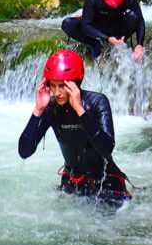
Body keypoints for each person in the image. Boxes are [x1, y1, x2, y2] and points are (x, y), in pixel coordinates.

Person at [18, 49, 131, 206]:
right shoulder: (51, 108)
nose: (57, 93)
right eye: (53, 86)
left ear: (75, 83)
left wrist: (80, 110)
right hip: (73, 184)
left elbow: (107, 148)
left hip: (107, 185)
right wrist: (38, 110)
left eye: (62, 86)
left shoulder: (97, 102)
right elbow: (24, 151)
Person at [62, 0, 145, 60]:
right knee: (67, 24)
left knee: (133, 17)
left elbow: (140, 20)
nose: (114, 6)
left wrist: (139, 44)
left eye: (117, 4)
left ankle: (120, 41)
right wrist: (107, 38)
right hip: (98, 27)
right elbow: (86, 25)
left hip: (117, 26)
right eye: (111, 4)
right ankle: (95, 44)